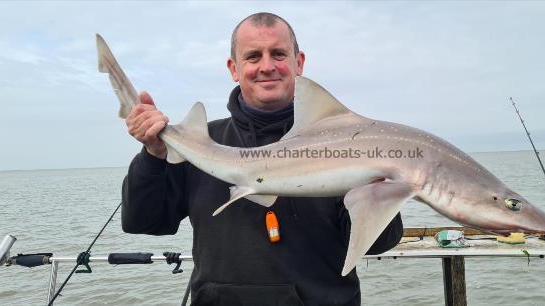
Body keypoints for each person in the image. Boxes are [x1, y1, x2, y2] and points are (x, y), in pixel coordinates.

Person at [121, 12, 403, 306]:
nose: (267, 66)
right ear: (234, 68)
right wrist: (153, 155)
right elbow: (143, 221)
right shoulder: (203, 143)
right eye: (253, 56)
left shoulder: (347, 144)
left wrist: (377, 185)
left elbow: (380, 243)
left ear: (299, 62)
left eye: (278, 54)